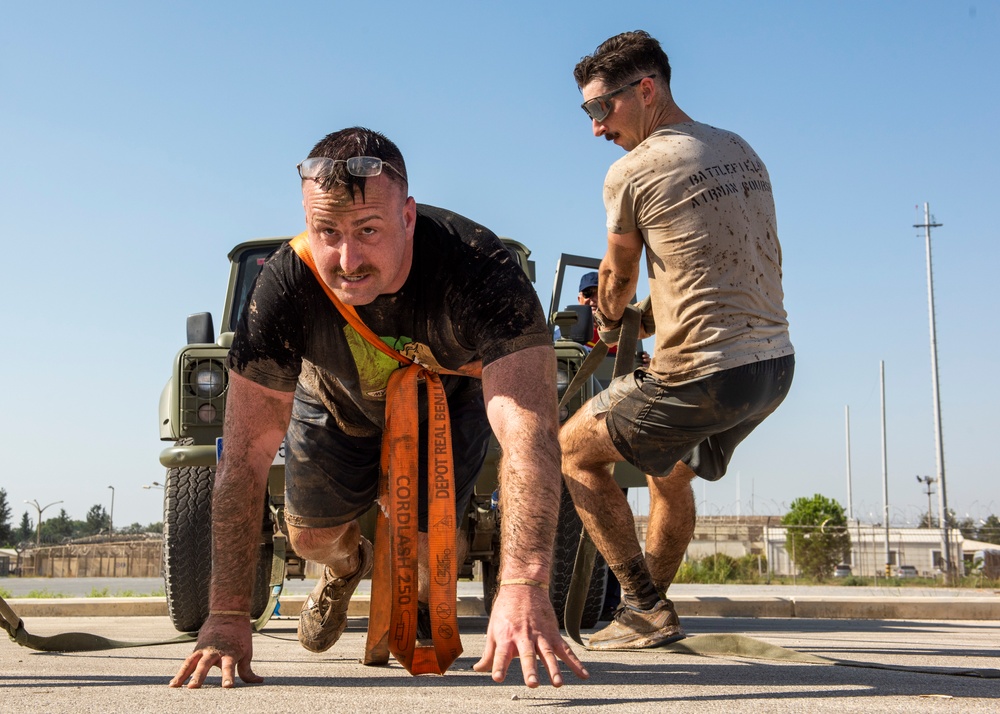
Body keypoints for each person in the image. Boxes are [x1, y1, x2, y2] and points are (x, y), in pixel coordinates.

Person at [170, 127, 588, 688]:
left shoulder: (483, 271)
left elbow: (530, 435)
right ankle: (348, 568)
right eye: (327, 232)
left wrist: (524, 585)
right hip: (335, 400)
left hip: (448, 402)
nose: (347, 259)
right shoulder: (284, 287)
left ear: (408, 217)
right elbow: (243, 454)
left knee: (427, 549)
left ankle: (416, 587)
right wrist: (224, 615)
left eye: (368, 230)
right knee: (310, 540)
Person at [560, 31, 794, 650]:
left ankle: (641, 604)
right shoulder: (739, 149)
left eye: (599, 108)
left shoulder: (631, 171)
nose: (595, 128)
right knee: (670, 475)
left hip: (702, 372)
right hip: (773, 368)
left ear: (646, 89)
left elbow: (616, 276)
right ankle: (648, 612)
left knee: (574, 450)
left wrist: (611, 317)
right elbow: (716, 270)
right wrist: (646, 314)